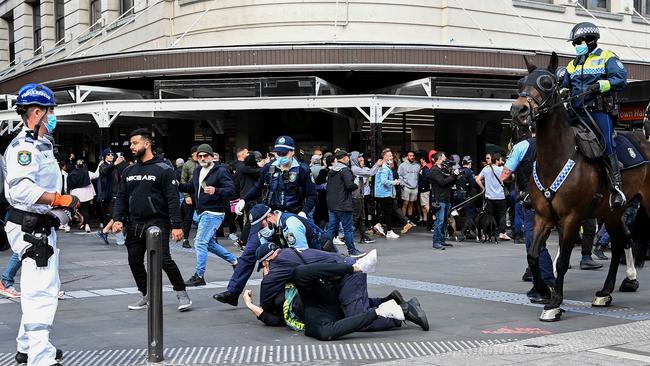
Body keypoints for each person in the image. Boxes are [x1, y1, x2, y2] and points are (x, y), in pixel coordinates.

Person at [4, 83, 78, 366]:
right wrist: (60, 199)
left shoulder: (41, 144)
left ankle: (26, 347)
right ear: (37, 112)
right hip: (30, 227)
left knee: (42, 285)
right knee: (41, 293)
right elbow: (22, 190)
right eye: (50, 111)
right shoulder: (24, 147)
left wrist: (62, 207)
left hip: (39, 225)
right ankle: (40, 357)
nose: (53, 116)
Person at [216, 135, 317, 307]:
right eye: (278, 152)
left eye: (284, 153)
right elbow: (257, 188)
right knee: (249, 253)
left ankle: (297, 299)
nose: (281, 156)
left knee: (293, 257)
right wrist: (243, 200)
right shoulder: (269, 168)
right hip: (267, 217)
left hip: (290, 218)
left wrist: (303, 212)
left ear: (292, 152)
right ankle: (233, 292)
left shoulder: (303, 170)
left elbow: (312, 196)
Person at [250, 245, 429, 340]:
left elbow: (266, 302)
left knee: (357, 315)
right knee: (341, 317)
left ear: (268, 260)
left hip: (342, 275)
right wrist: (250, 305)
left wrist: (268, 275)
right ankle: (389, 303)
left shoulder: (279, 264)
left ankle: (404, 311)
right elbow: (270, 317)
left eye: (266, 265)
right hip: (329, 295)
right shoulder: (289, 253)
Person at [111, 128, 192, 312]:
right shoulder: (129, 170)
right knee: (134, 261)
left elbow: (172, 198)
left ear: (146, 144)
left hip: (158, 222)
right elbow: (122, 196)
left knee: (163, 260)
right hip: (134, 224)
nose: (131, 147)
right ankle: (146, 294)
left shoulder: (164, 168)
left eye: (135, 143)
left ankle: (182, 293)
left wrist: (177, 226)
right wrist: (117, 219)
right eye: (131, 143)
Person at [560, 21, 628, 208]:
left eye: (577, 42)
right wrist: (563, 91)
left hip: (597, 111)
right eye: (574, 43)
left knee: (606, 144)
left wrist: (600, 85)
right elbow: (565, 85)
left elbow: (621, 79)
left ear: (589, 40)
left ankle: (617, 189)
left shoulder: (607, 57)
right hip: (575, 111)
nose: (575, 46)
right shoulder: (572, 64)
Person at [500, 126, 556, 303]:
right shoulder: (551, 145)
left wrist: (515, 176)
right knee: (537, 240)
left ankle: (546, 283)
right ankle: (538, 280)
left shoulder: (521, 146)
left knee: (535, 242)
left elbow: (505, 175)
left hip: (531, 199)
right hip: (553, 198)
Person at [178, 144, 239, 286]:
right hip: (203, 211)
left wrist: (216, 190)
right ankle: (235, 261)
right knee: (209, 243)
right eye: (200, 156)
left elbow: (231, 189)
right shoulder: (198, 170)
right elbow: (192, 187)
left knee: (200, 242)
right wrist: (178, 185)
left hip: (213, 212)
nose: (203, 158)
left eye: (206, 156)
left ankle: (199, 275)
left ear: (212, 157)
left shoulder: (220, 171)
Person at [326, 150, 364, 257]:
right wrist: (356, 184)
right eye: (347, 157)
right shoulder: (345, 170)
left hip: (332, 204)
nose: (349, 159)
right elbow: (349, 185)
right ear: (343, 158)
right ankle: (352, 251)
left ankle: (324, 249)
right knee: (348, 228)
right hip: (344, 204)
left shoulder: (332, 170)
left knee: (332, 228)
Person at [95, 149, 127, 245]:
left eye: (112, 154)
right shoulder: (103, 165)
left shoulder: (115, 165)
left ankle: (105, 231)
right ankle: (118, 238)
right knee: (116, 215)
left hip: (117, 193)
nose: (110, 156)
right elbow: (105, 172)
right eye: (108, 154)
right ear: (104, 156)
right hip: (109, 194)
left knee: (118, 215)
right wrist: (115, 164)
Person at [234, 151, 265, 250]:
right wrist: (264, 165)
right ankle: (243, 241)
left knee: (250, 220)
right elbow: (258, 172)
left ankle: (243, 241)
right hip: (250, 198)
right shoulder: (245, 168)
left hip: (245, 196)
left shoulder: (242, 169)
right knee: (251, 220)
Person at [476, 153, 510, 241]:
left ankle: (487, 233)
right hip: (500, 197)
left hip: (489, 197)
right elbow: (509, 177)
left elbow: (477, 179)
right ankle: (502, 233)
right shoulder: (502, 169)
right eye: (501, 160)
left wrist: (484, 188)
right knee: (502, 215)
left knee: (489, 215)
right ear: (497, 160)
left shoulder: (486, 169)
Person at [350, 151, 381, 244]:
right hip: (356, 197)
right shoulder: (355, 169)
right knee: (356, 218)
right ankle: (347, 237)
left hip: (359, 196)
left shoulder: (357, 168)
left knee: (361, 218)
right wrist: (377, 165)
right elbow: (370, 173)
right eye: (359, 157)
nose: (361, 159)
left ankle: (363, 237)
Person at [430, 151, 458, 250]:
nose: (445, 159)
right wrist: (453, 176)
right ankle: (436, 242)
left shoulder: (444, 169)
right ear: (438, 160)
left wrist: (455, 176)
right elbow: (442, 182)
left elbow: (450, 182)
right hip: (439, 199)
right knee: (440, 221)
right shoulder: (434, 170)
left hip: (446, 198)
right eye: (443, 158)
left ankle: (441, 240)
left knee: (445, 221)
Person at [373, 149, 404, 239]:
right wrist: (394, 182)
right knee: (388, 212)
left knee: (387, 212)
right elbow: (383, 181)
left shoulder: (385, 167)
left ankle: (379, 225)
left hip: (384, 193)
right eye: (390, 155)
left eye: (391, 155)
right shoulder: (385, 168)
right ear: (385, 157)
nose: (391, 157)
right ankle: (389, 231)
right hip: (384, 193)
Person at [66, 159, 99, 233]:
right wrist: (100, 164)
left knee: (71, 211)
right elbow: (97, 175)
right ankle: (87, 225)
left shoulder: (71, 174)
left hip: (75, 195)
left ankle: (68, 226)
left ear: (76, 165)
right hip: (85, 195)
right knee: (85, 210)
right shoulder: (87, 173)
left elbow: (68, 186)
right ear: (84, 165)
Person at [180, 145, 199, 248]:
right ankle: (185, 239)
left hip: (202, 194)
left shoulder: (203, 163)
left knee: (204, 217)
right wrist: (186, 196)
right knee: (187, 218)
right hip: (191, 193)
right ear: (192, 154)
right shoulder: (187, 164)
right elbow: (183, 179)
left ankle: (209, 240)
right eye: (197, 154)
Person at [398, 151, 420, 223]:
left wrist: (417, 185)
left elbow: (418, 176)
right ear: (407, 157)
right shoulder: (402, 165)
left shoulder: (417, 165)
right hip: (406, 187)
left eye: (413, 156)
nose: (412, 157)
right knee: (405, 203)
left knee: (411, 203)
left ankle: (409, 220)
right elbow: (400, 175)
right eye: (410, 156)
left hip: (414, 187)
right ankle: (404, 220)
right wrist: (402, 184)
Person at [417, 153, 432, 230]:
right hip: (423, 189)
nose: (420, 160)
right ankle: (425, 220)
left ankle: (431, 220)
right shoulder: (423, 168)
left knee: (426, 205)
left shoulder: (425, 169)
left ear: (423, 160)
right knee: (423, 206)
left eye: (420, 159)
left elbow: (425, 179)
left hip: (424, 189)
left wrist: (421, 187)